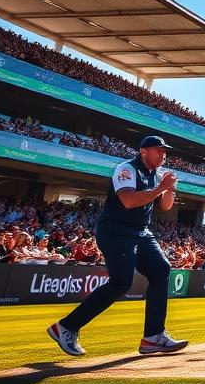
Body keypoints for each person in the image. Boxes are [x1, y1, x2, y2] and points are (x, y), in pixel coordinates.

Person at [47, 135, 187, 357]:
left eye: (164, 151)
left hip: (141, 231)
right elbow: (129, 201)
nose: (163, 155)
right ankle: (67, 326)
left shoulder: (157, 175)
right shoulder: (127, 169)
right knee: (121, 282)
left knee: (161, 269)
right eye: (158, 150)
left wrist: (169, 189)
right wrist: (161, 186)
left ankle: (153, 337)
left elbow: (166, 207)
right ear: (143, 151)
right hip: (116, 229)